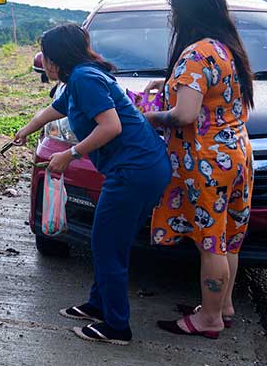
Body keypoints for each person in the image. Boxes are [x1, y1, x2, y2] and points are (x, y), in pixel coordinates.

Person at [14, 23, 170, 345]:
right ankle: (98, 304)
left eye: (47, 57)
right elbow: (55, 110)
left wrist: (70, 154)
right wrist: (26, 130)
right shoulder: (79, 78)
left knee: (106, 243)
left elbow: (110, 126)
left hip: (134, 170)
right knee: (109, 241)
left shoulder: (85, 78)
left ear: (57, 58)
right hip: (141, 166)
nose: (45, 64)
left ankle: (116, 326)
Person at [145, 0, 254, 339]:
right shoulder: (228, 50)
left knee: (210, 242)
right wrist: (165, 89)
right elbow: (215, 100)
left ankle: (208, 320)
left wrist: (149, 117)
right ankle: (221, 307)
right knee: (227, 238)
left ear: (188, 13)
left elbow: (185, 116)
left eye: (175, 12)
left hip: (206, 162)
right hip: (237, 154)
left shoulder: (195, 54)